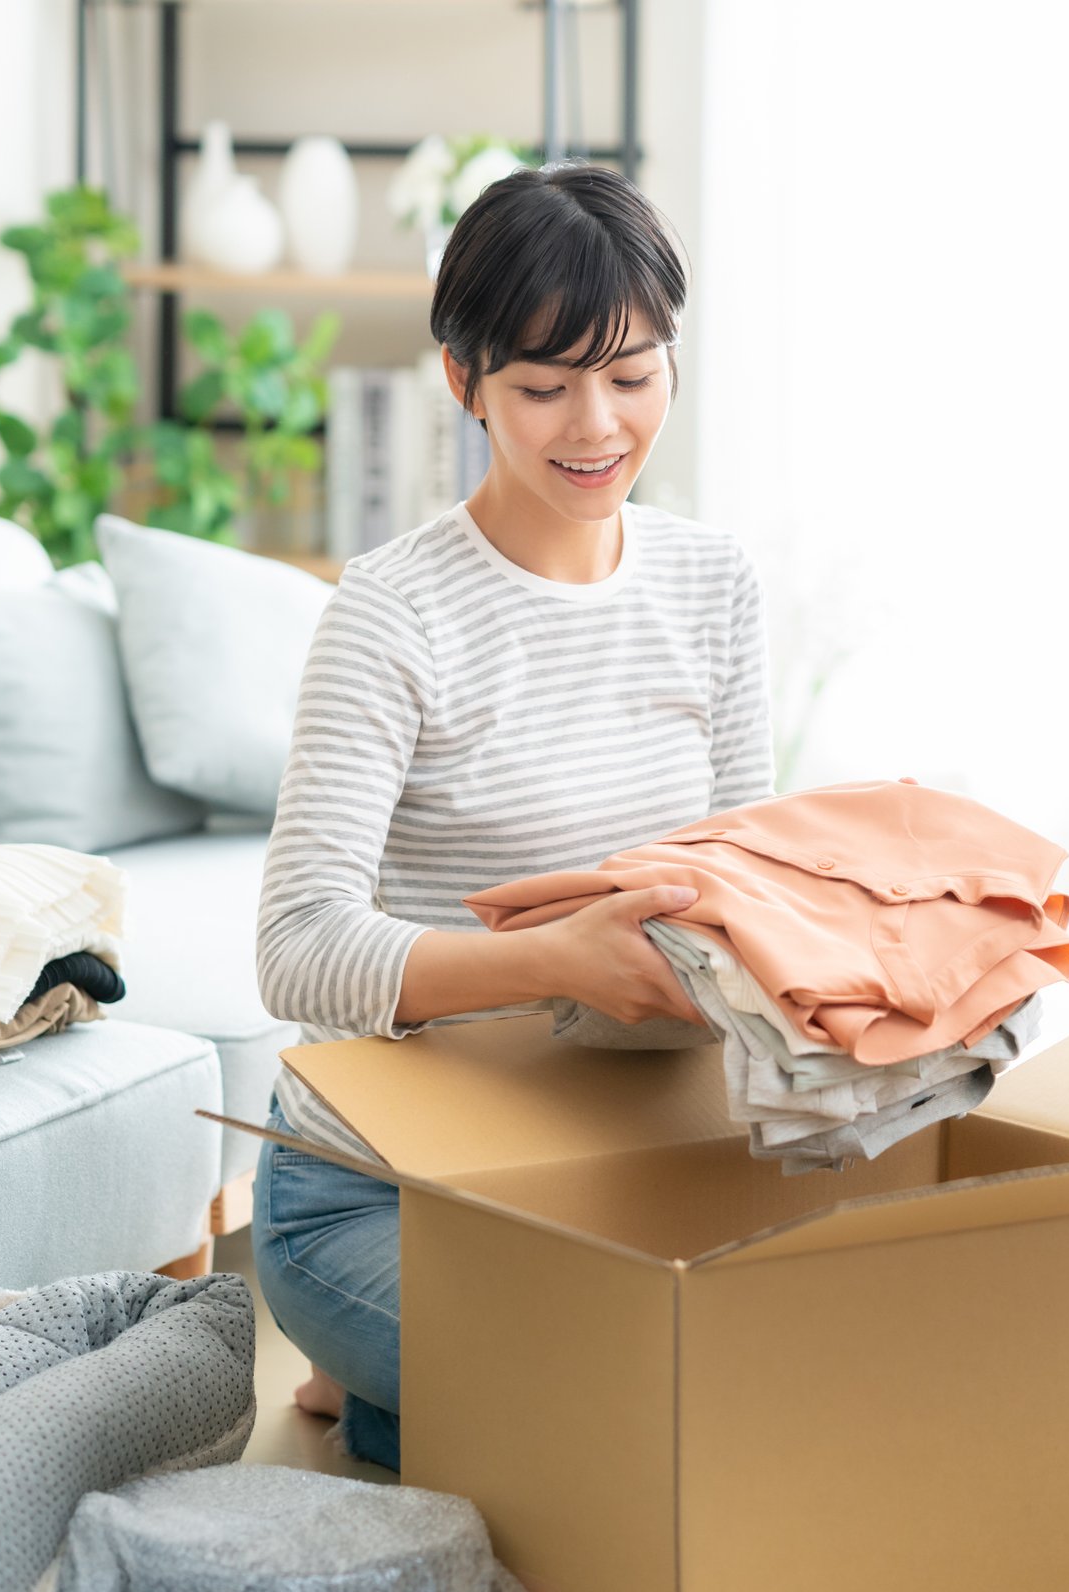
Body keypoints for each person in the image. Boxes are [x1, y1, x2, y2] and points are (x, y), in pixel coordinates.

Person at [251, 161, 774, 1470]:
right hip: (377, 1184)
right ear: (461, 379)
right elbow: (298, 946)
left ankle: (391, 1401)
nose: (595, 424)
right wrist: (552, 961)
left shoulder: (715, 585)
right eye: (543, 387)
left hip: (612, 1158)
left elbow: (750, 883)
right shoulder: (391, 611)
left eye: (633, 374)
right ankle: (382, 1368)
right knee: (632, 1410)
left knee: (801, 1364)